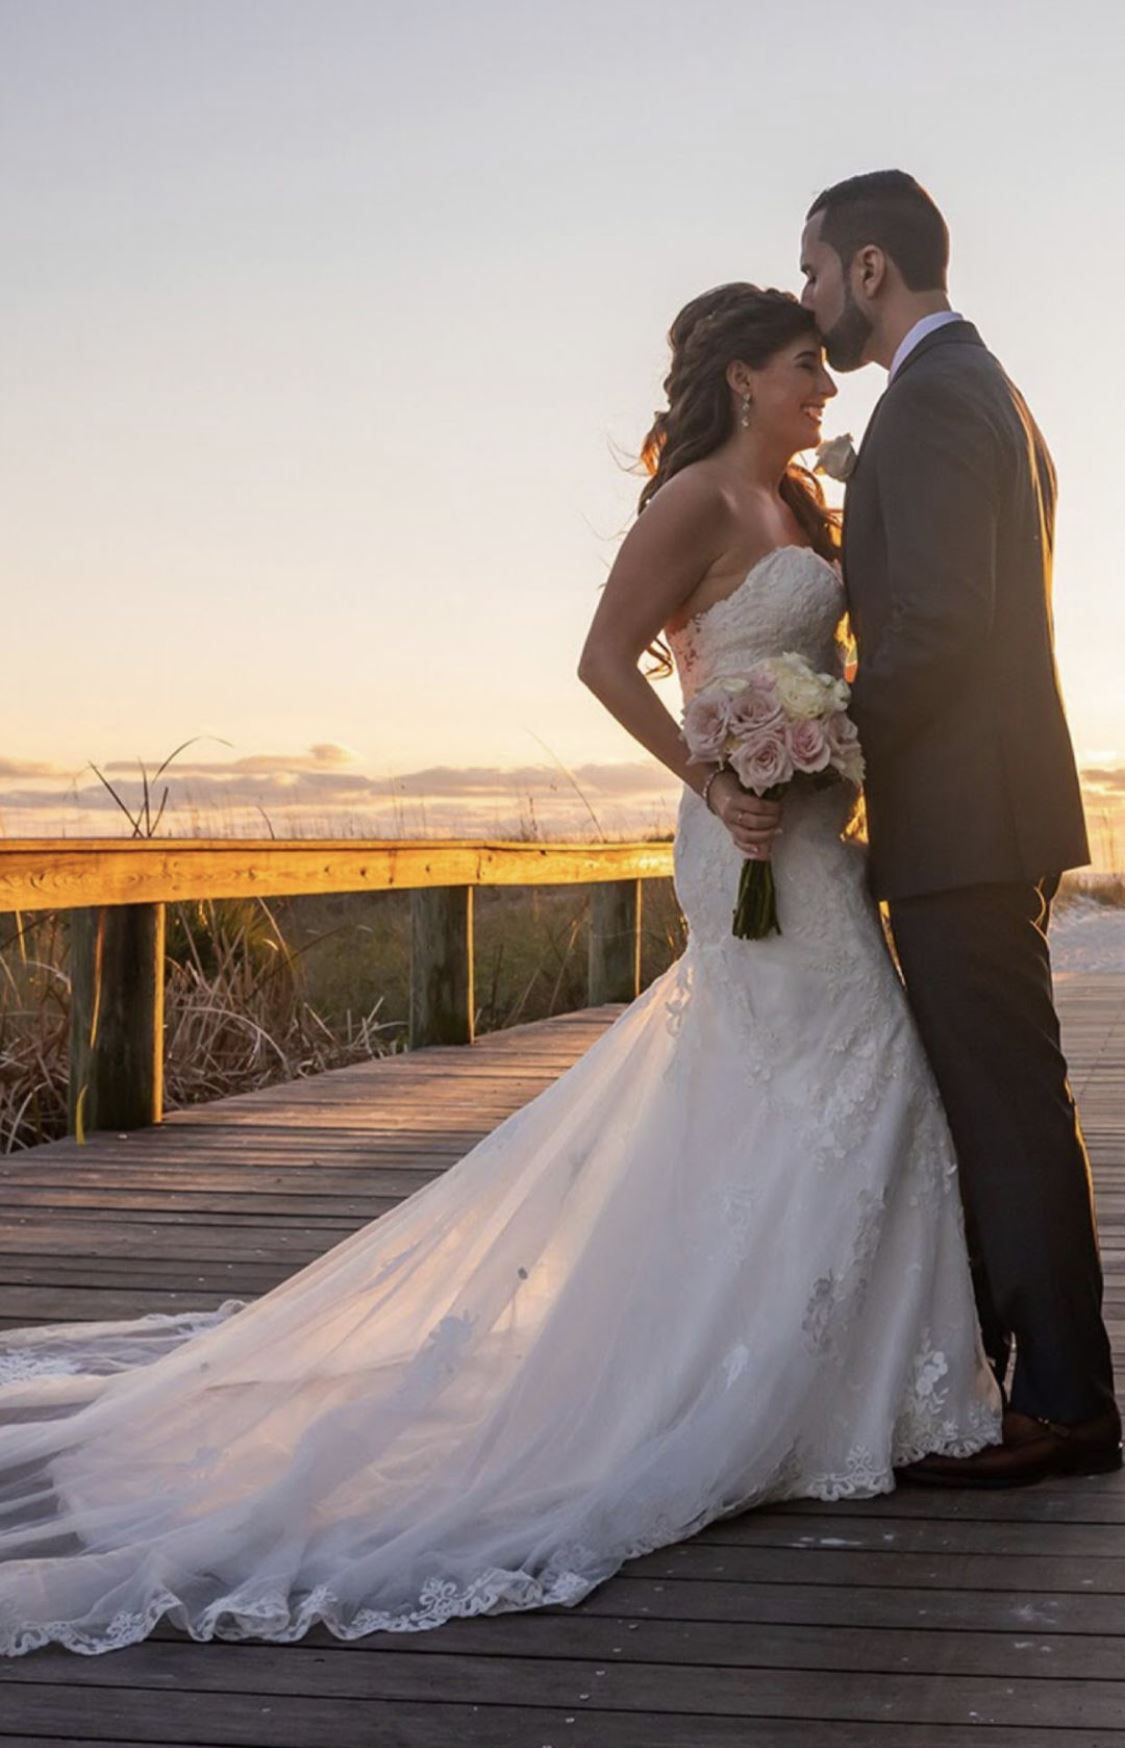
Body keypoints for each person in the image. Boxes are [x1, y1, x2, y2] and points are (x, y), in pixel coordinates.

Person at [0, 285, 1001, 1660]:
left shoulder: (802, 508)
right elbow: (601, 660)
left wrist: (818, 742)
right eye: (799, 371)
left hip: (819, 844)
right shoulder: (695, 503)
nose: (823, 388)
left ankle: (851, 1386)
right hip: (746, 842)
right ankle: (759, 1394)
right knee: (836, 1078)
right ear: (741, 379)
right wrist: (712, 775)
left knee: (846, 1088)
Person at [798, 170, 1120, 1484]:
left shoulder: (930, 404)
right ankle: (1029, 1378)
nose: (808, 296)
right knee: (1002, 1099)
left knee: (1002, 1107)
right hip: (989, 808)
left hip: (963, 818)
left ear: (870, 269)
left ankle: (1060, 1401)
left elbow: (930, 631)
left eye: (814, 269)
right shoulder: (981, 390)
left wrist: (821, 743)